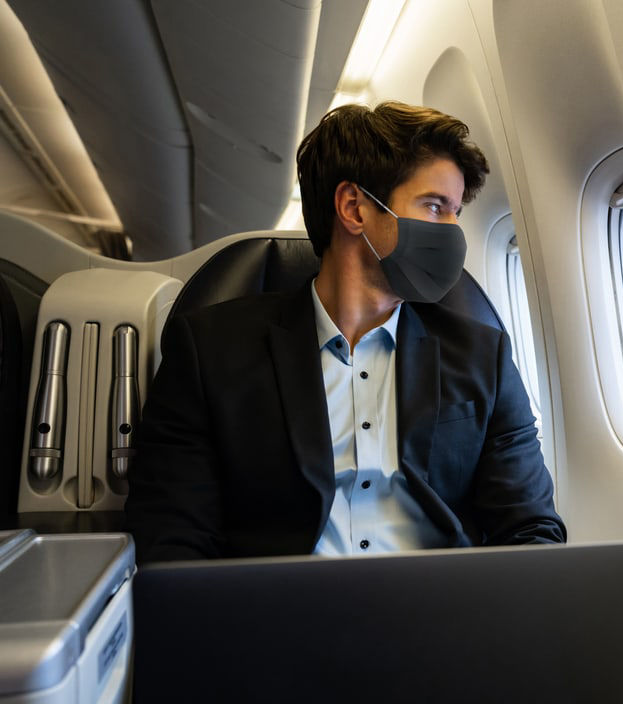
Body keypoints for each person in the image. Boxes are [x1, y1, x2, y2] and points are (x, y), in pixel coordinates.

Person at [126, 102, 565, 563]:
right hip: (282, 619)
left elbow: (530, 527)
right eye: (435, 207)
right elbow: (172, 537)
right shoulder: (210, 352)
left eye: (456, 213)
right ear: (354, 208)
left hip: (440, 617)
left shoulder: (481, 356)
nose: (453, 234)